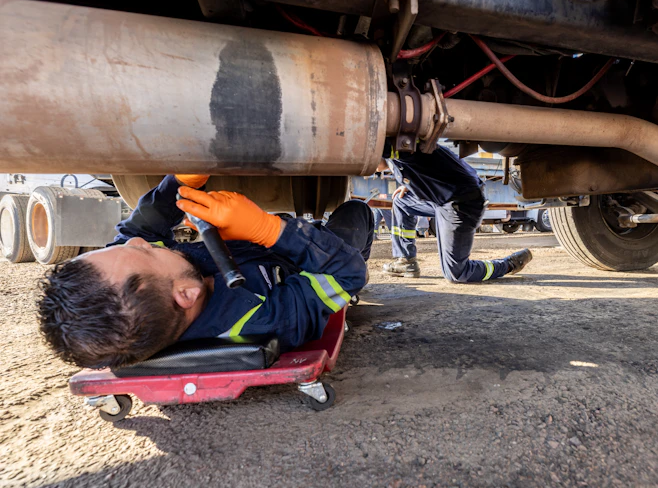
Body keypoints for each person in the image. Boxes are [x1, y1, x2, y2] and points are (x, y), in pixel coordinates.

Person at [37, 174, 372, 369]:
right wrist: (271, 231)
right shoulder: (261, 319)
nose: (138, 241)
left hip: (256, 248)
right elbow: (347, 274)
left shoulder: (150, 289)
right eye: (144, 252)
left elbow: (134, 232)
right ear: (186, 294)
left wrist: (179, 183)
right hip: (311, 262)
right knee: (356, 213)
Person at [379, 142, 532, 281]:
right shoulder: (397, 158)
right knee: (402, 201)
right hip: (444, 199)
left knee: (457, 274)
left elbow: (396, 148)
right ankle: (405, 261)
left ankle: (508, 264)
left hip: (462, 203)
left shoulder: (400, 150)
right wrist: (412, 185)